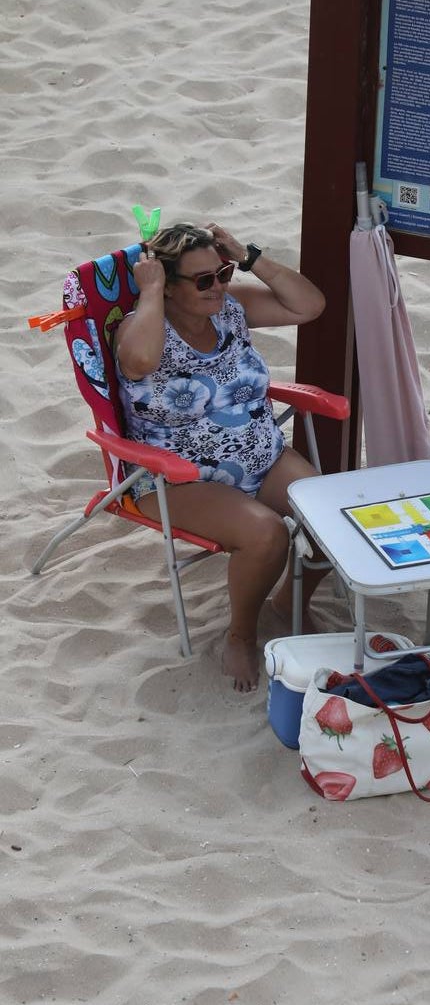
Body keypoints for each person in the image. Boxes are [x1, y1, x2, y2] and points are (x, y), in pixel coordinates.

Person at [114, 221, 326, 692]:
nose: (219, 288)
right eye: (204, 280)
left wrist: (249, 256)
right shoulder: (141, 328)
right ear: (167, 286)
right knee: (266, 535)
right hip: (179, 478)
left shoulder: (231, 308)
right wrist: (149, 295)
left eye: (223, 273)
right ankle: (240, 635)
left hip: (261, 455)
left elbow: (310, 306)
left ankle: (286, 603)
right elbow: (141, 362)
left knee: (333, 517)